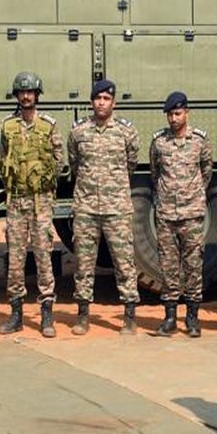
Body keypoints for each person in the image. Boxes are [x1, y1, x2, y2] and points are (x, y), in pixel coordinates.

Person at [68, 78, 141, 335]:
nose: (101, 103)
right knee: (83, 265)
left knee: (124, 264)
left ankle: (130, 316)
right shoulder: (79, 131)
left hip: (117, 208)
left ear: (114, 102)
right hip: (87, 208)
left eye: (106, 99)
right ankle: (83, 316)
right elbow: (74, 163)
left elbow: (132, 162)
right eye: (97, 99)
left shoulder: (126, 132)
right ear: (92, 102)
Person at [0, 71, 64, 338]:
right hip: (16, 202)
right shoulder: (7, 126)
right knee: (15, 260)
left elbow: (59, 160)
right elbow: (3, 160)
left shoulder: (48, 126)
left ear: (37, 95)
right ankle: (16, 315)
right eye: (22, 92)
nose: (26, 96)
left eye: (30, 92)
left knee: (44, 257)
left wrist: (42, 180)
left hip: (40, 202)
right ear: (17, 96)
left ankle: (47, 315)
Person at [149, 91, 213, 337]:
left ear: (187, 113)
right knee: (168, 266)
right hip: (166, 214)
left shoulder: (199, 141)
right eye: (170, 115)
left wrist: (193, 194)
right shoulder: (159, 142)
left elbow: (206, 170)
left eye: (178, 113)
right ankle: (169, 318)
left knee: (193, 265)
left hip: (192, 213)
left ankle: (193, 318)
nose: (174, 119)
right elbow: (155, 173)